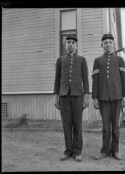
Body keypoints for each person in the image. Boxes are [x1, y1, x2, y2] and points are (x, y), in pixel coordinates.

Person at [92, 33, 125, 160]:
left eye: (110, 42)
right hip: (103, 98)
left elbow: (124, 79)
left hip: (117, 97)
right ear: (101, 45)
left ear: (114, 44)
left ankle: (116, 150)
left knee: (116, 126)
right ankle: (105, 151)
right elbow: (95, 80)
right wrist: (95, 98)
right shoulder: (97, 61)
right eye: (105, 42)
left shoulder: (119, 60)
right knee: (106, 127)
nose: (108, 44)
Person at [54, 34, 89, 162]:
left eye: (73, 42)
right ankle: (68, 151)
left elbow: (85, 79)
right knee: (66, 125)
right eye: (68, 42)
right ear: (65, 45)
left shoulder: (82, 60)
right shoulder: (60, 60)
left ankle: (77, 151)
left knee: (77, 125)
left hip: (78, 95)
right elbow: (57, 79)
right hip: (63, 96)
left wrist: (86, 97)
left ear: (77, 46)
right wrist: (55, 96)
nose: (70, 44)